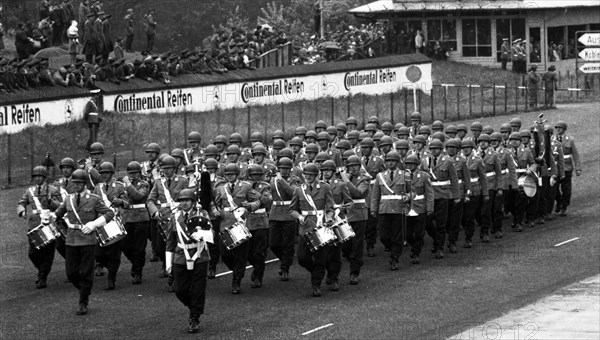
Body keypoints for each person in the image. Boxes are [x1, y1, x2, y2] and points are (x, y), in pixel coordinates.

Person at [54, 169, 115, 315]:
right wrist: (49, 217)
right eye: (74, 183)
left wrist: (94, 224)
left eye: (79, 183)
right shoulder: (68, 199)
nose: (76, 185)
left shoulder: (93, 199)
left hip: (88, 240)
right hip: (71, 240)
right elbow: (58, 214)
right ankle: (83, 289)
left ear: (85, 184)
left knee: (86, 272)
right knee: (71, 273)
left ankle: (83, 300)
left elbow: (109, 213)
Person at [165, 189, 211, 333]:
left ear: (193, 201)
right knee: (179, 289)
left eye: (187, 200)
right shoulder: (175, 217)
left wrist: (201, 234)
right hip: (180, 255)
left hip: (199, 254)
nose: (184, 203)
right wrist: (168, 264)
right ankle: (194, 307)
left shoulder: (201, 214)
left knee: (198, 289)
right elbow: (170, 242)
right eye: (182, 200)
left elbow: (211, 233)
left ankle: (194, 317)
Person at [289, 163, 335, 297]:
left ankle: (316, 284)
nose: (308, 177)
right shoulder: (299, 190)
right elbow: (292, 209)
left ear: (316, 176)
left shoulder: (325, 188)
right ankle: (317, 272)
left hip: (321, 227)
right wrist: (299, 217)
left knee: (320, 258)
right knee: (302, 258)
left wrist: (330, 218)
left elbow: (330, 208)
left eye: (311, 175)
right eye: (306, 175)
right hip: (305, 227)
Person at [214, 163, 260, 294]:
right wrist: (216, 211)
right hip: (225, 224)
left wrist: (250, 206)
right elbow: (216, 204)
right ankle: (236, 271)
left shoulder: (246, 186)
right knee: (225, 254)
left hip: (241, 224)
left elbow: (258, 200)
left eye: (232, 174)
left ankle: (237, 280)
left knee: (241, 255)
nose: (230, 177)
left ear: (237, 175)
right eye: (227, 175)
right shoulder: (221, 189)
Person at [146, 156, 189, 291]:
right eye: (164, 169)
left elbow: (189, 197)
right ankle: (167, 265)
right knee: (160, 249)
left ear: (174, 168)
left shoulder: (183, 181)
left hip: (178, 220)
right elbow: (150, 200)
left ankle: (174, 277)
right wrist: (155, 212)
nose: (167, 171)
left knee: (176, 249)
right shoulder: (159, 182)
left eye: (169, 168)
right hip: (163, 220)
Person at [17, 166, 62, 289]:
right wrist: (22, 211)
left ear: (44, 177)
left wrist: (50, 201)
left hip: (49, 224)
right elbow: (21, 203)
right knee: (32, 253)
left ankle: (43, 277)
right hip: (34, 224)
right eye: (35, 176)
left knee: (47, 254)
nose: (37, 178)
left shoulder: (52, 190)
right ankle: (41, 270)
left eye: (39, 176)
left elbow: (59, 207)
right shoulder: (29, 191)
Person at [370, 151, 410, 270]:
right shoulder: (380, 176)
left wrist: (408, 197)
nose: (390, 163)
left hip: (398, 209)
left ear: (397, 162)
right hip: (384, 209)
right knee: (383, 235)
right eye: (388, 161)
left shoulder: (404, 175)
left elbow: (411, 191)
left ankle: (395, 257)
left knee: (398, 236)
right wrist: (373, 209)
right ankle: (392, 247)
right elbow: (375, 195)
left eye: (393, 161)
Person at [92, 162, 127, 290]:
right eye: (103, 173)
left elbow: (127, 203)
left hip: (115, 222)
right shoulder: (97, 188)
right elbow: (93, 205)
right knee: (99, 253)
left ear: (112, 174)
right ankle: (107, 267)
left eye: (107, 173)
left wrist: (120, 201)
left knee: (114, 254)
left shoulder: (119, 186)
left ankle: (112, 277)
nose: (105, 175)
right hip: (101, 222)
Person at [269, 157, 301, 281]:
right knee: (273, 243)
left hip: (288, 214)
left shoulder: (294, 180)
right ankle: (285, 260)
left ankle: (285, 268)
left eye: (286, 168)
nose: (284, 171)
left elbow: (293, 193)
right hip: (275, 213)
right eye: (282, 168)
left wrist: (281, 180)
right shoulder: (272, 180)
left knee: (288, 243)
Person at [425, 140, 459, 258]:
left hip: (443, 195)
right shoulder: (425, 161)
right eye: (431, 148)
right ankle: (436, 239)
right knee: (427, 222)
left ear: (441, 150)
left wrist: (456, 196)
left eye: (436, 148)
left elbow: (454, 180)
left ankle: (440, 247)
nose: (433, 150)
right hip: (429, 196)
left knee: (441, 223)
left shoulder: (448, 161)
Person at [321, 160, 352, 290]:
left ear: (334, 172)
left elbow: (350, 203)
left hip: (336, 221)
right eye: (324, 170)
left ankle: (334, 277)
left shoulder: (340, 185)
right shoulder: (319, 185)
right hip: (322, 221)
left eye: (328, 170)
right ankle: (328, 272)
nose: (326, 173)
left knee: (335, 251)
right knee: (323, 251)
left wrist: (341, 209)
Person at [339, 155, 369, 283]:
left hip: (358, 215)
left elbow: (357, 193)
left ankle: (354, 272)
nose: (353, 168)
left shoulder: (364, 179)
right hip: (344, 215)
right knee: (345, 245)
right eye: (351, 166)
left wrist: (345, 179)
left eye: (356, 166)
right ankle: (355, 261)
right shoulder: (343, 179)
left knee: (357, 244)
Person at [121, 161, 150, 284]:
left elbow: (138, 196)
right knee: (126, 246)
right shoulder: (123, 186)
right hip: (128, 218)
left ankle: (138, 272)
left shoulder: (144, 184)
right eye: (130, 173)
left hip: (141, 219)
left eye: (135, 173)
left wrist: (128, 184)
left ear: (139, 173)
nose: (132, 175)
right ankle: (136, 264)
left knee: (139, 248)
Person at [245, 164, 273, 288]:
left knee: (259, 252)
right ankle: (256, 268)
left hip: (261, 222)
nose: (255, 177)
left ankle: (259, 276)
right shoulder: (245, 186)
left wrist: (255, 195)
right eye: (253, 175)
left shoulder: (265, 186)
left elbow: (267, 201)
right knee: (248, 252)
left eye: (258, 175)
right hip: (248, 221)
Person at [461, 138, 488, 246]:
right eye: (464, 148)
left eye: (468, 148)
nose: (466, 150)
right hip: (462, 192)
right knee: (465, 217)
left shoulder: (477, 160)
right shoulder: (459, 161)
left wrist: (485, 193)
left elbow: (483, 178)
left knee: (474, 215)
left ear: (472, 148)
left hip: (475, 191)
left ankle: (472, 237)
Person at [554, 121, 581, 217]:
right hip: (555, 168)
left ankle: (564, 206)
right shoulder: (552, 139)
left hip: (567, 167)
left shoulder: (570, 140)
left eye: (560, 128)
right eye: (557, 127)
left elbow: (575, 154)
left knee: (566, 189)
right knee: (554, 188)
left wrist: (578, 168)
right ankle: (559, 201)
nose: (558, 129)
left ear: (564, 129)